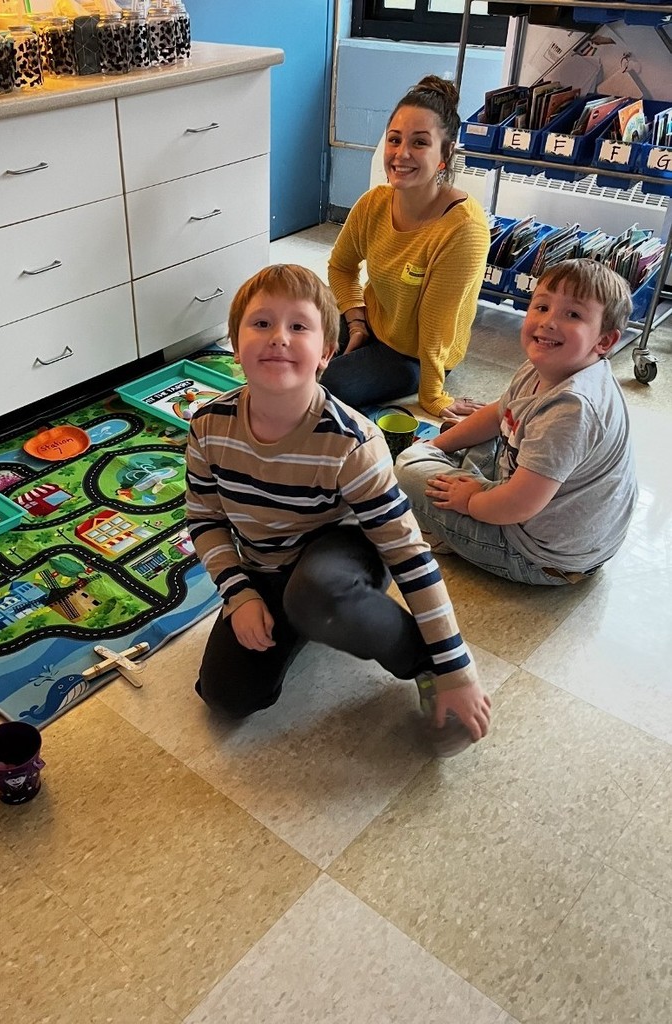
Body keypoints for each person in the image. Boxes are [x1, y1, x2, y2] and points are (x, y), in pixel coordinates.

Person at [185, 264, 491, 752]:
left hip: (345, 554)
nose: (279, 337)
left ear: (327, 353)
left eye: (298, 326)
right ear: (235, 345)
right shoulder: (208, 426)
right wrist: (239, 594)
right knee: (226, 697)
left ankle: (421, 661)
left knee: (318, 593)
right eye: (261, 323)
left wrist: (455, 666)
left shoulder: (352, 441)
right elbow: (205, 519)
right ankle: (302, 613)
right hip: (266, 565)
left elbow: (407, 553)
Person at [395, 259, 638, 585]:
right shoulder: (547, 362)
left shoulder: (572, 409)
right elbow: (501, 413)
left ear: (604, 342)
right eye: (542, 307)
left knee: (406, 467)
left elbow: (520, 504)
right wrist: (436, 446)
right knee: (467, 433)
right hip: (553, 514)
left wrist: (470, 501)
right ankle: (462, 483)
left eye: (573, 315)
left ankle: (449, 529)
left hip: (538, 556)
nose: (548, 322)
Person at [320, 75, 490, 421]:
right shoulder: (375, 202)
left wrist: (433, 396)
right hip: (372, 321)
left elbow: (436, 325)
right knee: (300, 342)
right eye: (394, 140)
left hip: (414, 354)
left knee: (330, 384)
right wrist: (356, 321)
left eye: (420, 143)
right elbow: (341, 266)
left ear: (445, 154)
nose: (402, 154)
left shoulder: (464, 228)